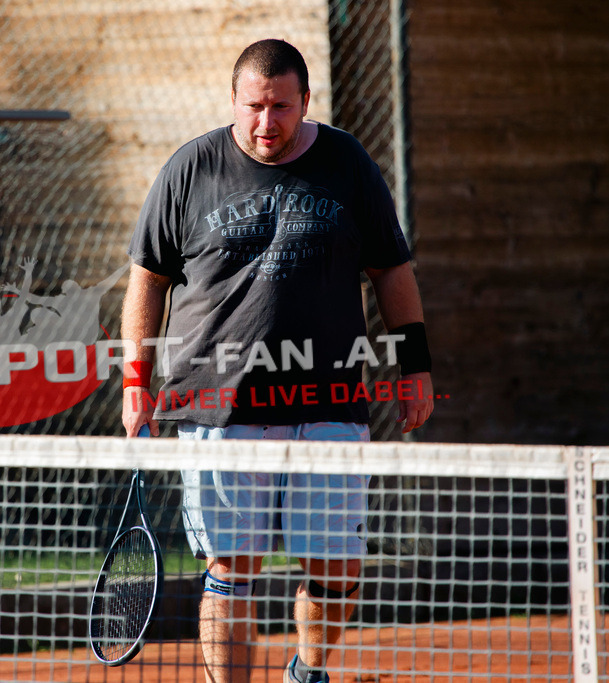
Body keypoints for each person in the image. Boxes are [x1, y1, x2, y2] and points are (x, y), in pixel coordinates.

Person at [121, 39, 434, 683]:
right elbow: (146, 280)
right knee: (232, 568)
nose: (267, 122)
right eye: (254, 107)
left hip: (329, 403)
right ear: (233, 102)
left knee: (336, 569)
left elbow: (392, 272)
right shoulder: (191, 169)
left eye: (282, 107)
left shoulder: (347, 162)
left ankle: (306, 671)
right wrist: (135, 382)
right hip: (219, 404)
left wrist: (416, 368)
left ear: (306, 101)